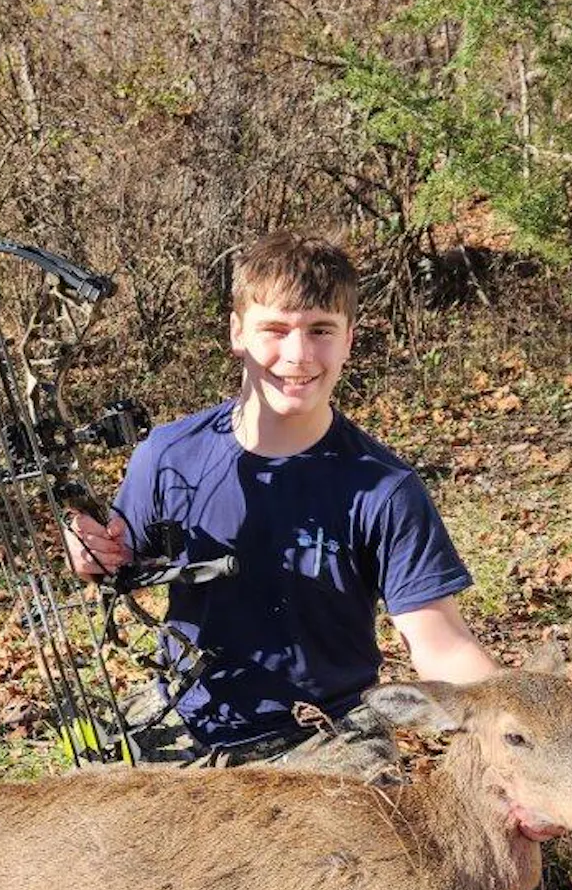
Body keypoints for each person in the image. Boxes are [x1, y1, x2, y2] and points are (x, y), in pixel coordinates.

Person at [66, 230, 498, 770]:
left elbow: (441, 643)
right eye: (274, 329)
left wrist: (514, 716)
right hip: (184, 719)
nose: (298, 355)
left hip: (326, 736)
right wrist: (90, 551)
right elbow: (117, 556)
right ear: (237, 333)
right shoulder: (168, 455)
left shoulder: (385, 488)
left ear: (349, 340)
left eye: (321, 330)